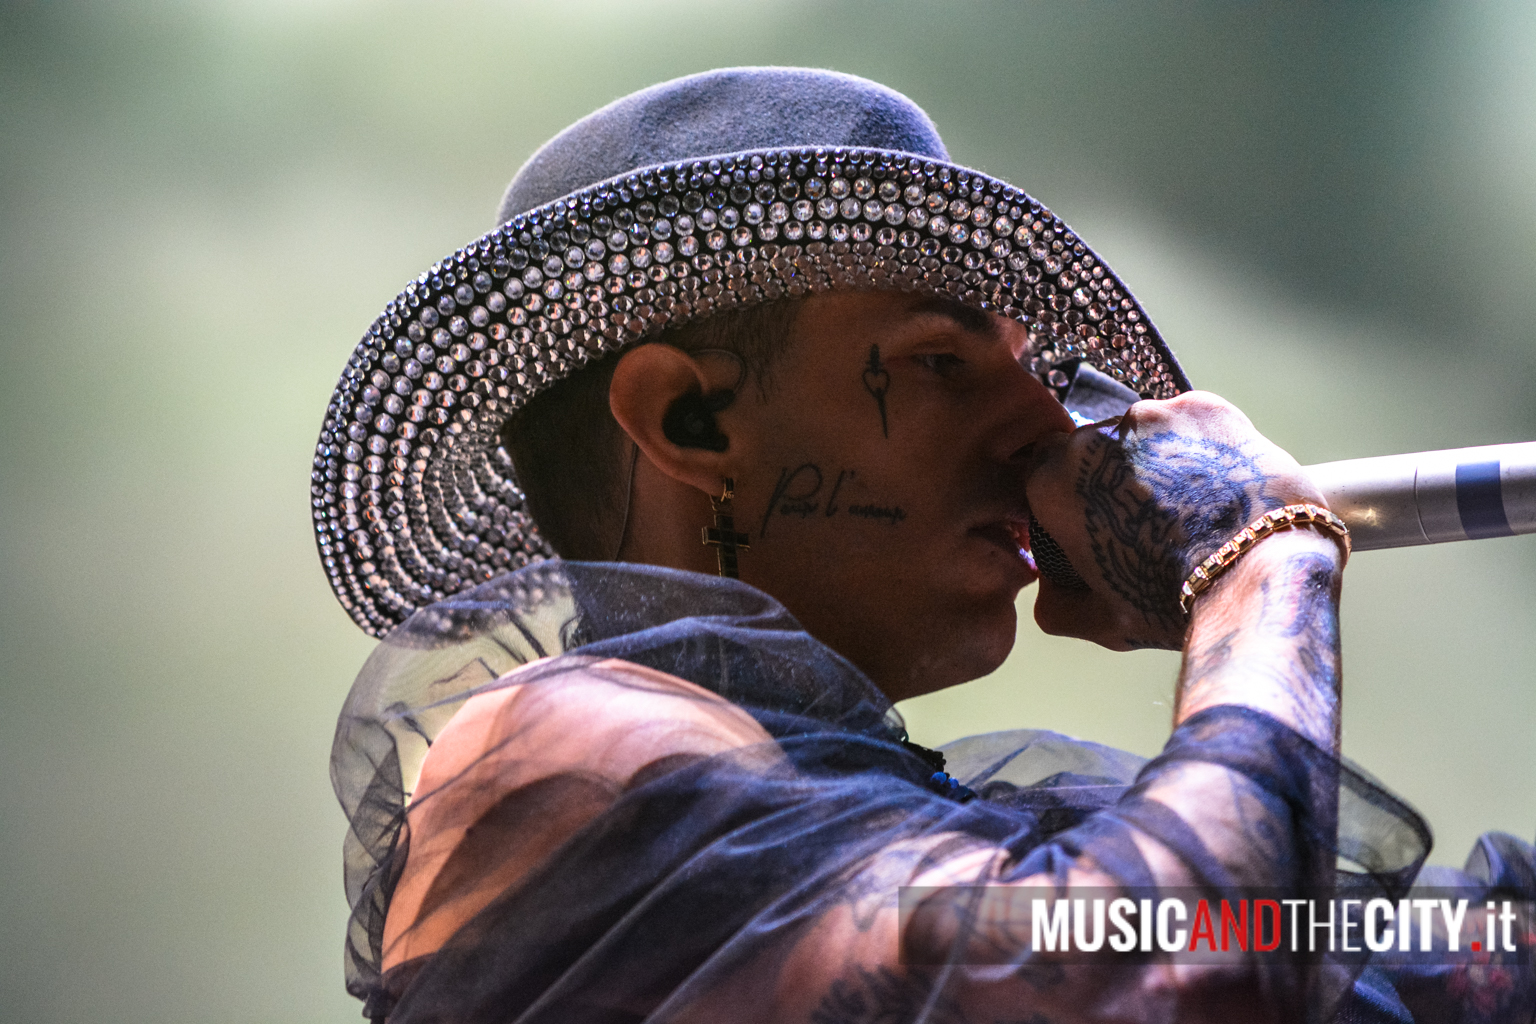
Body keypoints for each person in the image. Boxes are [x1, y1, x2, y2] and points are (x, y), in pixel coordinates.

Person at [313, 68, 1533, 1022]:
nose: (1048, 427)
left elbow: (1452, 957)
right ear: (687, 420)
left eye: (1034, 368)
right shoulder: (551, 749)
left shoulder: (871, 815)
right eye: (941, 363)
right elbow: (1165, 984)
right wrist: (1262, 558)